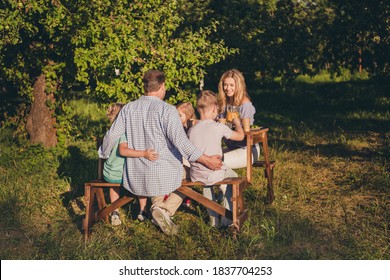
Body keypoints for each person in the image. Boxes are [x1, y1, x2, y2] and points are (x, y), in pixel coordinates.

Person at [100, 69, 222, 235]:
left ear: (145, 87)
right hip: (164, 177)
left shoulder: (128, 109)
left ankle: (158, 207)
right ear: (162, 86)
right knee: (187, 174)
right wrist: (207, 160)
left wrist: (103, 154)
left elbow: (111, 135)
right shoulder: (168, 110)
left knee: (165, 174)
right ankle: (163, 208)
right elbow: (181, 142)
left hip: (135, 178)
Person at [188, 90, 244, 227]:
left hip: (196, 173)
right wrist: (237, 123)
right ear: (214, 109)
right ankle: (227, 217)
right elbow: (240, 136)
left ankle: (213, 219)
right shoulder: (219, 127)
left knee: (207, 186)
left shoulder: (191, 130)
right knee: (233, 177)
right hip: (214, 171)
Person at [102, 103, 159, 225]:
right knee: (140, 179)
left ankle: (115, 211)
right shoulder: (124, 133)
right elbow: (123, 151)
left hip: (109, 172)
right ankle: (142, 210)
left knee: (114, 186)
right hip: (121, 174)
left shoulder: (111, 133)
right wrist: (143, 153)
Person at [217, 69, 260, 169]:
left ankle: (229, 184)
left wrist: (236, 124)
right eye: (225, 85)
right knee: (205, 159)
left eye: (232, 85)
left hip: (247, 149)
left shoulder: (245, 104)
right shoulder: (224, 103)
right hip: (231, 147)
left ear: (238, 86)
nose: (228, 88)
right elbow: (220, 128)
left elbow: (246, 133)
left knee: (215, 163)